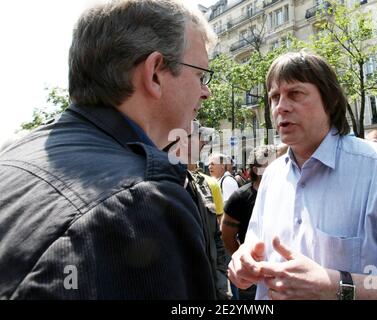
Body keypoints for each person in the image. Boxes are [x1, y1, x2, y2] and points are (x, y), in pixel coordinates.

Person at [0, 0, 216, 299]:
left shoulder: (13, 154)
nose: (206, 92)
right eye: (200, 75)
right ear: (154, 73)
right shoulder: (143, 200)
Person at [228, 51, 377, 300]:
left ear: (329, 101)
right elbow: (253, 248)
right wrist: (242, 262)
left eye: (295, 94)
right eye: (274, 97)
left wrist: (338, 286)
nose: (281, 107)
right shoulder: (272, 175)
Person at [172, 122, 231, 300]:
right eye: (200, 138)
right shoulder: (159, 184)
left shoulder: (203, 184)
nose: (204, 143)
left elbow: (216, 238)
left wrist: (222, 285)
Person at [222, 144, 278, 300]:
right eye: (270, 163)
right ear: (255, 169)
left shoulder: (289, 193)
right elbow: (227, 237)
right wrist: (245, 263)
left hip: (281, 274)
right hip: (252, 278)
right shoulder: (240, 197)